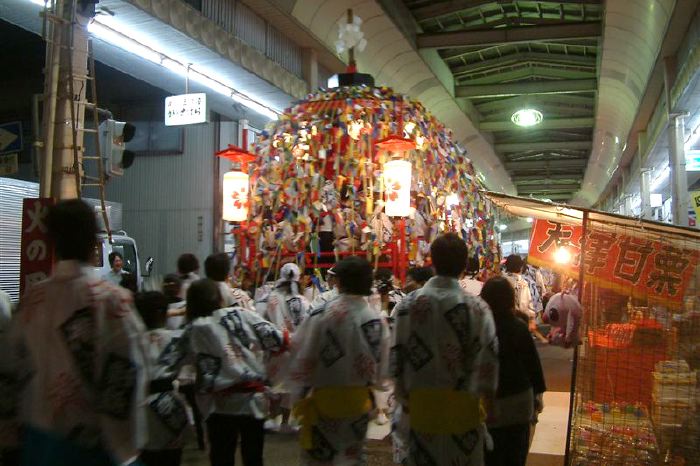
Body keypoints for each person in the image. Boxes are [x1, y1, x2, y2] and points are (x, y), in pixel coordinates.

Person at [11, 199, 147, 466]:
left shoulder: (31, 302)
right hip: (95, 447)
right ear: (93, 242)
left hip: (37, 444)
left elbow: (10, 370)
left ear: (53, 242)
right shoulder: (113, 302)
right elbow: (127, 373)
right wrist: (124, 448)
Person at [392, 233, 498, 466]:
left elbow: (396, 359)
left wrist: (403, 399)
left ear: (432, 261)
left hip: (419, 413)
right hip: (464, 415)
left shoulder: (406, 306)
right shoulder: (478, 308)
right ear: (463, 266)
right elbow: (488, 365)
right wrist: (488, 407)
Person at [286, 256, 390, 465]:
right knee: (351, 459)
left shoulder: (320, 314)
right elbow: (382, 373)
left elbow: (300, 355)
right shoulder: (375, 321)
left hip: (323, 402)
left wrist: (297, 397)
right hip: (358, 405)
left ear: (338, 282)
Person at [186, 278, 288, 466]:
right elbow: (277, 339)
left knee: (221, 457)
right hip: (252, 400)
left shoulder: (192, 328)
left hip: (218, 404)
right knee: (253, 456)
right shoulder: (239, 314)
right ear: (217, 297)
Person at [480, 277, 546, 466]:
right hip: (518, 402)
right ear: (510, 299)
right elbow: (533, 366)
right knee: (515, 454)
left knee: (489, 455)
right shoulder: (519, 327)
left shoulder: (479, 328)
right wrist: (538, 398)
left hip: (487, 403)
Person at [135, 291, 188, 466]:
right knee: (171, 459)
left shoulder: (127, 342)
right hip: (170, 406)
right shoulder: (177, 339)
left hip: (136, 406)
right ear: (163, 313)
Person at [263, 262, 311, 433]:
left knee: (274, 385)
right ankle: (286, 422)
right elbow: (307, 324)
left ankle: (270, 418)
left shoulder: (272, 297)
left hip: (276, 348)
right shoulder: (303, 300)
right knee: (290, 388)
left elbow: (264, 320)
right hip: (295, 349)